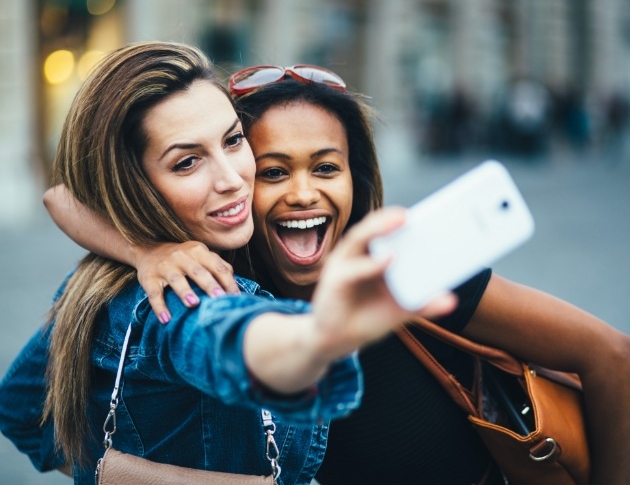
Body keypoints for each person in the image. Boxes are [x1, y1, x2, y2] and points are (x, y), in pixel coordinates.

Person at [11, 64, 630, 484]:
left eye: (326, 168)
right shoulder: (205, 287)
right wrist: (144, 250)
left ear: (354, 182)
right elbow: (64, 196)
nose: (302, 194)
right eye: (274, 171)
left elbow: (611, 357)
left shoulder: (401, 266)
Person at [0, 46, 456, 485]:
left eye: (233, 140)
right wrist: (318, 337)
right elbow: (225, 337)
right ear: (133, 184)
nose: (232, 178)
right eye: (187, 162)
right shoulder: (179, 295)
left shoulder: (99, 278)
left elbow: (20, 409)